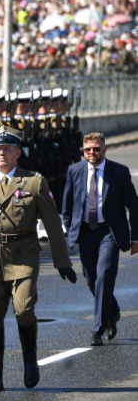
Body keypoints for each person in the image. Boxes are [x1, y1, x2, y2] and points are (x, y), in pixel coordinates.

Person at [0, 126, 77, 392]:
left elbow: (52, 223)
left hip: (24, 256)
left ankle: (30, 360)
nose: (1, 153)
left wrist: (62, 260)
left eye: (6, 149)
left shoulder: (33, 182)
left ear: (18, 152)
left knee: (24, 309)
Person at [62, 132, 138, 346]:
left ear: (104, 149)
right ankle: (112, 312)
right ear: (83, 151)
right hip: (86, 231)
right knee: (91, 279)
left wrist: (135, 238)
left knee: (104, 276)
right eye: (88, 149)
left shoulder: (119, 172)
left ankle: (98, 328)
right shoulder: (74, 170)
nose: (92, 153)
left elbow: (134, 206)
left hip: (109, 232)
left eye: (96, 148)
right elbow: (67, 203)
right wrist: (70, 229)